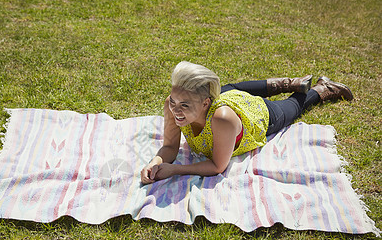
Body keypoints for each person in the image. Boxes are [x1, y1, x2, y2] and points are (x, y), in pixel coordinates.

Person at [140, 61, 353, 184]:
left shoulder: (221, 119)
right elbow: (169, 147)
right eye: (174, 101)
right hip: (227, 98)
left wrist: (174, 170)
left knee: (292, 108)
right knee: (231, 87)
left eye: (184, 105)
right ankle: (287, 83)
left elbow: (217, 166)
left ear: (206, 103)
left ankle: (323, 88)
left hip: (258, 115)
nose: (175, 110)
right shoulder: (173, 105)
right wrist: (155, 163)